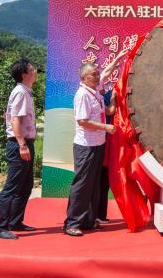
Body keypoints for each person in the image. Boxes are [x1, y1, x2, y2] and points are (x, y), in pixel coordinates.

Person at [64, 63, 116, 237]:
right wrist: (105, 127)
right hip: (85, 146)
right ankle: (72, 222)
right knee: (82, 184)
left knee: (94, 185)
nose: (97, 76)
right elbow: (83, 121)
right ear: (85, 77)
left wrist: (114, 96)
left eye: (97, 73)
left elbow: (109, 110)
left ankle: (88, 220)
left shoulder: (95, 93)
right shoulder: (82, 95)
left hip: (97, 144)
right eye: (94, 74)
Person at [0, 59, 38, 239]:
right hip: (19, 144)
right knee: (12, 187)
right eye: (31, 69)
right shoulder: (20, 92)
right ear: (24, 75)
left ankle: (15, 221)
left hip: (26, 142)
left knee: (25, 186)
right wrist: (22, 144)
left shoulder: (25, 92)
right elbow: (15, 120)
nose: (35, 71)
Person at [96, 49, 126, 224]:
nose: (100, 78)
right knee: (100, 178)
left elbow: (106, 72)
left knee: (103, 178)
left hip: (105, 140)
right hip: (102, 140)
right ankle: (96, 215)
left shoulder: (99, 90)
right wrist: (113, 99)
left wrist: (118, 58)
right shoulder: (96, 94)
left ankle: (100, 214)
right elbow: (110, 111)